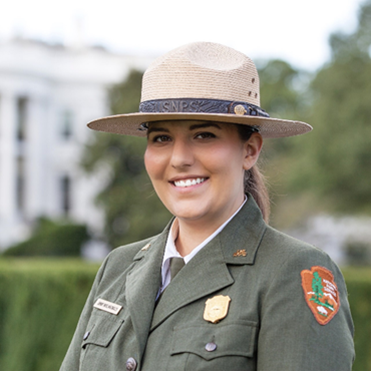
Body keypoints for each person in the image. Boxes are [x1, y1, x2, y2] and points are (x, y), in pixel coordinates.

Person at [60, 42, 354, 371]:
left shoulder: (291, 272)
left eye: (204, 135)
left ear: (250, 150)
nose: (180, 159)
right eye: (161, 138)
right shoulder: (118, 267)